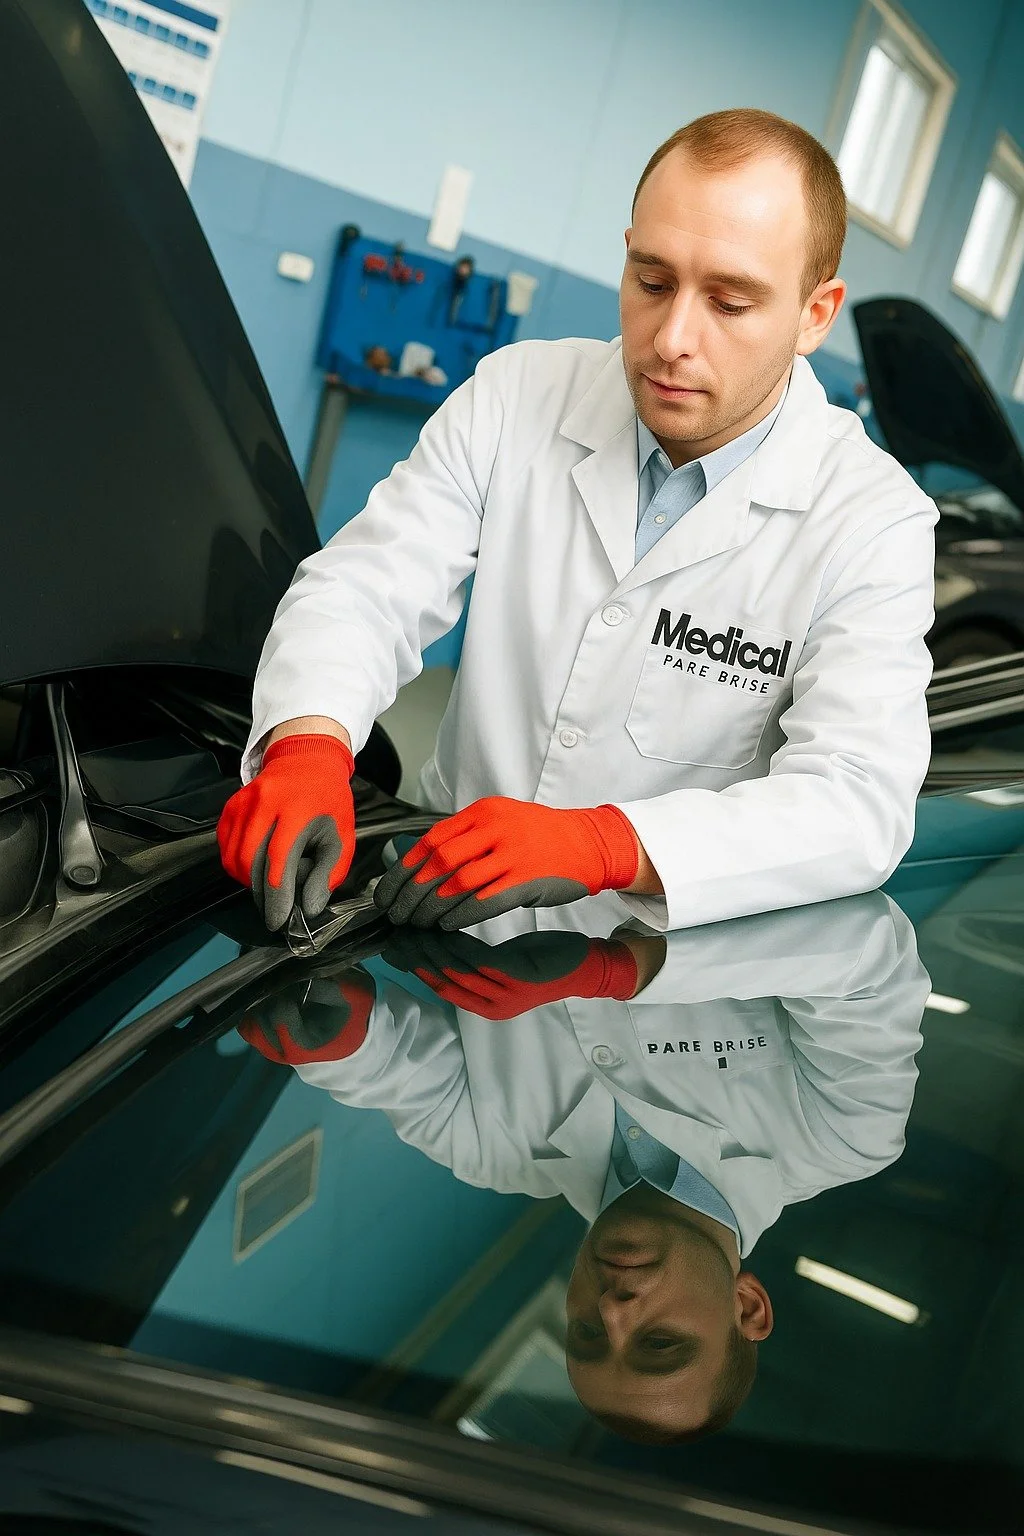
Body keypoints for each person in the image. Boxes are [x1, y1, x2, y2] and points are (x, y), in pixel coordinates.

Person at [218, 108, 937, 936]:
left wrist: (604, 844)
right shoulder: (515, 395)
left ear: (816, 314)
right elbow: (368, 586)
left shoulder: (872, 520)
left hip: (657, 970)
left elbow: (856, 800)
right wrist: (307, 744)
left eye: (730, 302)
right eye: (652, 282)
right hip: (436, 923)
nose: (672, 340)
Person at [239, 891, 928, 1440]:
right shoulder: (845, 1136)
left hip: (477, 800)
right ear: (746, 1306)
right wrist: (620, 969)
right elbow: (866, 949)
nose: (612, 1310)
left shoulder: (497, 1154)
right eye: (661, 1343)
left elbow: (385, 1064)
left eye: (588, 1334)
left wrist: (336, 1040)